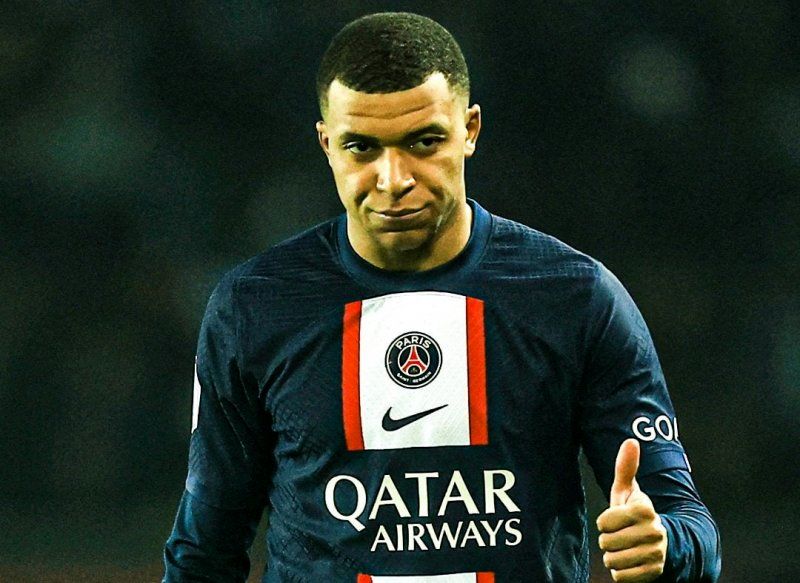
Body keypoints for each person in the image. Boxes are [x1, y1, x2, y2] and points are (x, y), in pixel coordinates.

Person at [163, 12, 721, 583]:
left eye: (423, 142)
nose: (393, 178)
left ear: (470, 130)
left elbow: (689, 523)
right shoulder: (255, 307)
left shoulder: (574, 297)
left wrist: (664, 545)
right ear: (327, 144)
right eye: (361, 147)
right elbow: (203, 552)